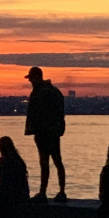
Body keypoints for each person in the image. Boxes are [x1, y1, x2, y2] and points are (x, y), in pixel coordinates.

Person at [24, 66, 67, 203]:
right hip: (53, 131)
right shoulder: (54, 91)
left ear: (37, 77)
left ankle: (43, 192)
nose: (30, 81)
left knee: (46, 163)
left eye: (31, 78)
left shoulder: (40, 92)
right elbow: (60, 112)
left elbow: (36, 113)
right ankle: (61, 191)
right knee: (56, 162)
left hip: (44, 132)